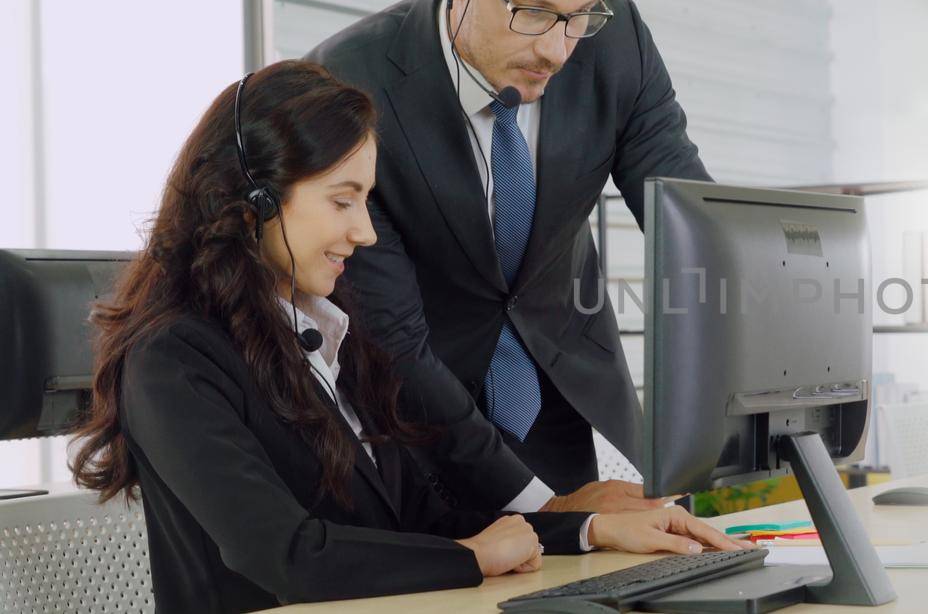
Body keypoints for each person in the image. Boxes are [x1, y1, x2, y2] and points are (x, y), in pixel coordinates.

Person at [67, 61, 748, 614]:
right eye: (342, 200)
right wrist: (470, 560)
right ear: (254, 199)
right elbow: (284, 553)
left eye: (366, 202)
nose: (364, 234)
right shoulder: (172, 360)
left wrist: (593, 529)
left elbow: (427, 518)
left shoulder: (327, 338)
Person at [305, 0, 712, 512]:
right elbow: (394, 341)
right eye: (534, 13)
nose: (556, 50)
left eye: (577, 17)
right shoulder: (348, 81)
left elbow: (693, 227)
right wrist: (544, 510)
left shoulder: (617, 41)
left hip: (557, 394)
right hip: (417, 420)